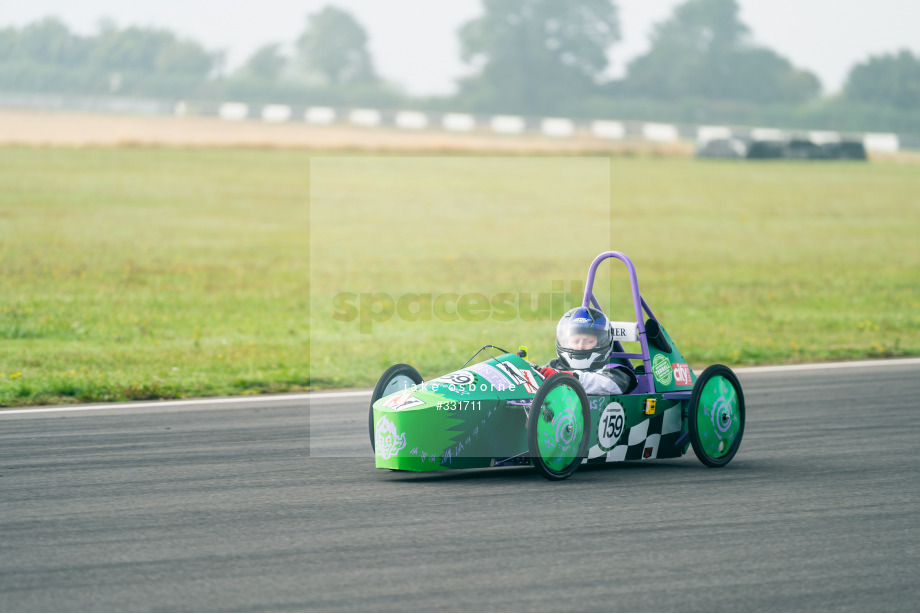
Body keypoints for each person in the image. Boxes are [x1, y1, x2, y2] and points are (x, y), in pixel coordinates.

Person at [536, 306, 637, 396]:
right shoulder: (555, 365)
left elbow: (608, 385)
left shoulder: (616, 372)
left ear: (602, 342)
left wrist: (567, 377)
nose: (580, 346)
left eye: (589, 341)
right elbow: (535, 377)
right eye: (575, 341)